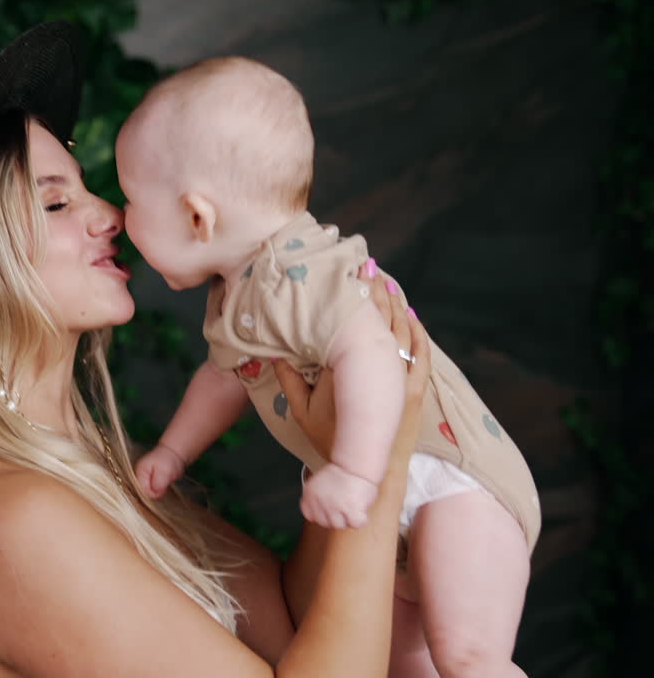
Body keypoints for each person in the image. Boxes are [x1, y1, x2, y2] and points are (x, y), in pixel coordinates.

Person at [0, 22, 432, 678]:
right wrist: (379, 472)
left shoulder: (96, 469)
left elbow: (299, 627)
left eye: (83, 187)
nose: (108, 213)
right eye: (55, 202)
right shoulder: (4, 517)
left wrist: (346, 438)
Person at [118, 55, 541, 677]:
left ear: (196, 216)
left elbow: (371, 354)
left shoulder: (300, 271)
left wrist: (354, 472)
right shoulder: (241, 294)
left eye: (131, 201)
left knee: (470, 658)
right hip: (389, 506)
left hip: (453, 485)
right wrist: (175, 452)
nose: (121, 219)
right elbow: (223, 377)